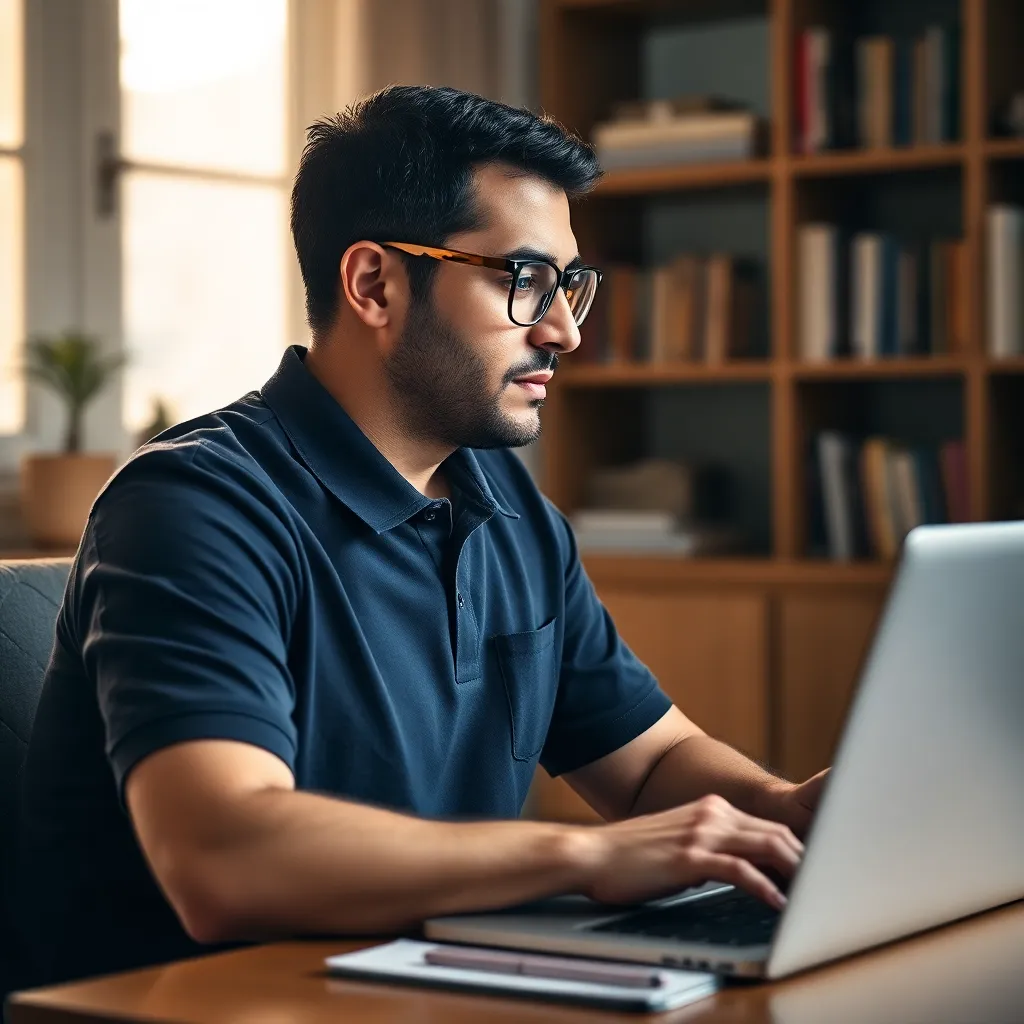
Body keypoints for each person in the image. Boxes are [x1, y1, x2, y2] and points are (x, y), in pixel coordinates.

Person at [17, 85, 826, 987]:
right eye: (524, 280)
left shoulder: (511, 512)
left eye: (570, 285)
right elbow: (225, 858)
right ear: (375, 284)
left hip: (418, 992)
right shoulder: (193, 505)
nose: (562, 328)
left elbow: (650, 764)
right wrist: (584, 858)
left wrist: (788, 812)